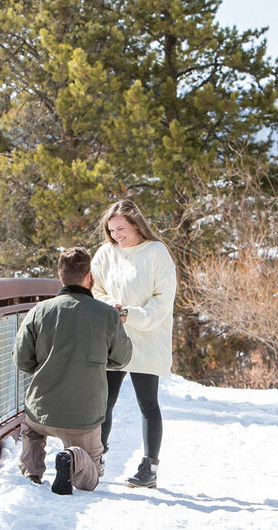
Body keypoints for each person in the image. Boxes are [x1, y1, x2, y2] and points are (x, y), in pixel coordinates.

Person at [15, 247, 133, 495]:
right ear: (89, 276)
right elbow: (122, 358)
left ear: (60, 276)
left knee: (30, 430)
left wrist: (48, 365)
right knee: (91, 477)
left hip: (42, 411)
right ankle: (74, 458)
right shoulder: (107, 315)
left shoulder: (39, 311)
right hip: (84, 418)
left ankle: (32, 473)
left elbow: (22, 360)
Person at [91, 199, 177, 489]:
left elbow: (163, 298)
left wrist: (131, 314)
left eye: (121, 229)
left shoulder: (156, 252)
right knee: (104, 402)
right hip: (114, 338)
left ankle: (149, 467)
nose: (117, 235)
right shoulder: (105, 254)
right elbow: (95, 289)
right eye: (112, 230)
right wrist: (110, 308)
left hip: (147, 337)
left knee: (148, 403)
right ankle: (95, 458)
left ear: (137, 225)